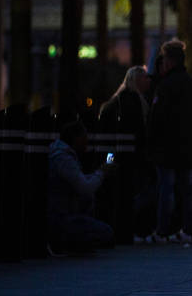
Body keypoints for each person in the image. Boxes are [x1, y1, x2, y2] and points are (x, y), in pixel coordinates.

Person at [146, 39, 192, 245]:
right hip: (187, 144)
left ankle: (163, 230)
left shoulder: (165, 86)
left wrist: (151, 141)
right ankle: (189, 229)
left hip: (166, 146)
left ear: (169, 61)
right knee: (189, 188)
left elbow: (156, 117)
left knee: (166, 188)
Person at [100, 66, 155, 242]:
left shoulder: (116, 102)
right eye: (145, 77)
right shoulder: (135, 102)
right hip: (131, 158)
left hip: (116, 155)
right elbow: (140, 133)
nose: (148, 80)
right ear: (137, 80)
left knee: (118, 192)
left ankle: (118, 230)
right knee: (131, 193)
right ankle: (130, 230)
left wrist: (109, 159)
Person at [47, 118, 114, 254]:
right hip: (60, 217)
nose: (87, 142)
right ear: (75, 138)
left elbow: (80, 181)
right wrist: (102, 173)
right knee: (106, 233)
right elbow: (85, 189)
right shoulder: (64, 159)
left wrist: (99, 173)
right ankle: (67, 242)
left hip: (61, 214)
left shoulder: (63, 156)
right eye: (84, 137)